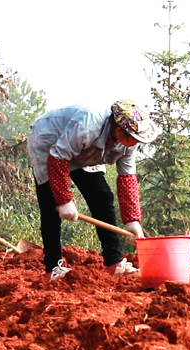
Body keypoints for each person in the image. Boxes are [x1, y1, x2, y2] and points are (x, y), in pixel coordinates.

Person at [27, 99, 159, 280]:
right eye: (134, 138)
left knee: (102, 198)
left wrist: (132, 221)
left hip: (82, 149)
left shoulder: (128, 142)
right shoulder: (87, 126)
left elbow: (127, 178)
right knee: (50, 204)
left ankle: (114, 262)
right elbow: (58, 157)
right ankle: (53, 267)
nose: (136, 143)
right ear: (119, 130)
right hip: (49, 140)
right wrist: (64, 200)